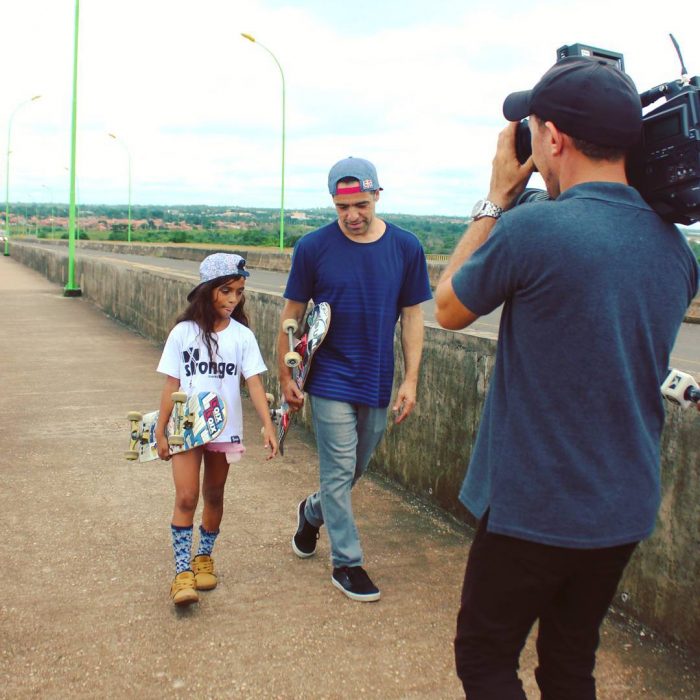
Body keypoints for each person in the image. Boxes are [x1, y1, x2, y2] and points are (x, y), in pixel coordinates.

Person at [434, 57, 699, 699]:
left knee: (486, 658)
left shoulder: (534, 228)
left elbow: (447, 308)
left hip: (533, 506)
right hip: (622, 506)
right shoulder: (675, 250)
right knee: (570, 662)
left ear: (553, 139)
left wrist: (494, 200)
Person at [278, 157, 432, 602]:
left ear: (378, 196)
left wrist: (411, 380)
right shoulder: (313, 247)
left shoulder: (405, 247)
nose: (352, 215)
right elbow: (291, 316)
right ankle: (347, 563)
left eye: (361, 204)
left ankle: (311, 512)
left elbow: (412, 317)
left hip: (378, 376)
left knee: (353, 471)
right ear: (333, 202)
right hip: (328, 376)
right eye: (342, 207)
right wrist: (289, 373)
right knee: (339, 468)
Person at [156, 253, 278, 606]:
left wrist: (268, 426)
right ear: (207, 290)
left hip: (225, 429)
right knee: (185, 497)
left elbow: (254, 384)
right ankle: (182, 573)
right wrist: (161, 430)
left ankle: (203, 556)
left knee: (214, 495)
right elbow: (171, 385)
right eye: (225, 291)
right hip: (187, 426)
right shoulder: (183, 334)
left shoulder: (242, 337)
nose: (232, 299)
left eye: (238, 292)